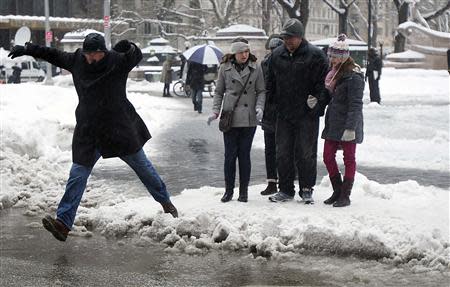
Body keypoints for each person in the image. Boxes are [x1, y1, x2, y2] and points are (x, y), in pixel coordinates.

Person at [8, 33, 178, 242]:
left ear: (103, 52)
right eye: (88, 54)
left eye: (94, 55)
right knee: (77, 175)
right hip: (89, 131)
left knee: (143, 167)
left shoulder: (117, 61)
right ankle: (63, 224)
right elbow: (52, 54)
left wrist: (130, 46)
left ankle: (166, 202)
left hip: (118, 128)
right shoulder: (77, 60)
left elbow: (136, 56)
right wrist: (27, 49)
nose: (90, 59)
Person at [265, 18, 329, 204]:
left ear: (300, 37)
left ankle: (306, 188)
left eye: (291, 38)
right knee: (282, 152)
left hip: (306, 115)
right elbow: (270, 84)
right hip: (283, 114)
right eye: (285, 38)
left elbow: (323, 86)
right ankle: (285, 189)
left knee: (305, 153)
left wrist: (317, 105)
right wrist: (273, 105)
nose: (288, 41)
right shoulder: (277, 55)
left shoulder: (315, 56)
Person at [207, 37, 265, 203]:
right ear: (234, 53)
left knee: (244, 155)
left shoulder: (256, 67)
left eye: (246, 51)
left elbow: (261, 90)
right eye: (241, 52)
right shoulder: (224, 68)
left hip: (248, 119)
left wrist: (260, 107)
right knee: (230, 156)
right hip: (230, 117)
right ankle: (228, 191)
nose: (244, 55)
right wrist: (215, 111)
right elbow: (219, 92)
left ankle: (244, 192)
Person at [322, 34, 364, 207]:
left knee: (349, 159)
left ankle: (345, 195)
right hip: (333, 122)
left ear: (343, 57)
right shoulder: (334, 74)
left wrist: (350, 128)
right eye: (330, 56)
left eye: (334, 57)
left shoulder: (353, 76)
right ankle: (337, 190)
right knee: (327, 156)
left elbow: (356, 104)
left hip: (348, 123)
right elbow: (330, 97)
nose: (331, 60)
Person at [260, 36, 284, 196]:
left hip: (276, 111)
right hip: (273, 111)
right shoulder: (266, 64)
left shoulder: (269, 63)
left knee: (276, 149)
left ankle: (276, 182)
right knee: (275, 149)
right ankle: (274, 181)